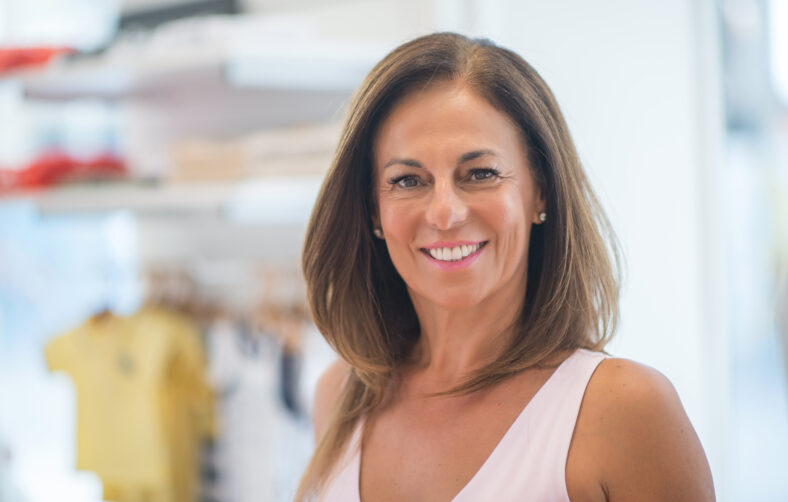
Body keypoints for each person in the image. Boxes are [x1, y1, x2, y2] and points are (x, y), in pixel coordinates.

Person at [297, 32, 715, 501]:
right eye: (408, 180)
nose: (445, 213)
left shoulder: (623, 409)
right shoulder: (339, 397)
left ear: (540, 191)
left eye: (480, 174)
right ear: (372, 210)